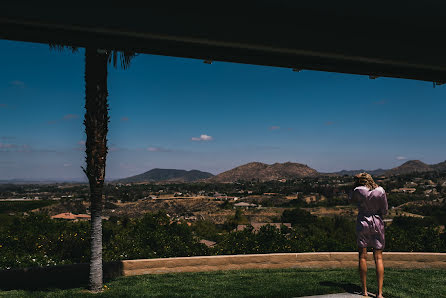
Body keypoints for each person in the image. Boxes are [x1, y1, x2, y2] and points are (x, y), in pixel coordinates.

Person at [350, 172, 388, 298]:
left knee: (362, 256)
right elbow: (385, 210)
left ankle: (364, 291)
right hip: (377, 222)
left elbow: (351, 199)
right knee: (378, 257)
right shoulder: (380, 191)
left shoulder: (357, 190)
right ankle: (380, 293)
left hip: (362, 222)